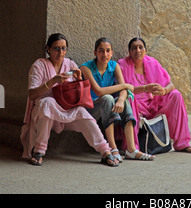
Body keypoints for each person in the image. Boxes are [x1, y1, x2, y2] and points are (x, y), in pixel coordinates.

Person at [20, 33, 118, 167]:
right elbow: (32, 94)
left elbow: (79, 92)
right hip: (43, 112)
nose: (60, 52)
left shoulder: (70, 64)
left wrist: (78, 80)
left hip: (67, 108)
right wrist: (53, 81)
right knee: (47, 103)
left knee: (82, 112)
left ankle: (105, 151)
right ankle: (39, 151)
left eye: (63, 48)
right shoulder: (39, 65)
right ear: (48, 48)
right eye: (56, 48)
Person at [118, 37, 191, 154]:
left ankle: (182, 144)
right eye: (134, 48)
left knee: (175, 95)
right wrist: (145, 88)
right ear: (129, 52)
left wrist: (164, 91)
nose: (138, 50)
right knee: (129, 98)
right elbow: (123, 89)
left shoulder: (152, 63)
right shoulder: (123, 65)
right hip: (136, 106)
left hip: (153, 105)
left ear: (145, 50)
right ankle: (132, 147)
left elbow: (171, 84)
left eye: (141, 47)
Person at [81, 37, 155, 161]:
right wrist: (125, 85)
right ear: (95, 52)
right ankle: (113, 148)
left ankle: (131, 149)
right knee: (108, 98)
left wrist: (120, 100)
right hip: (91, 109)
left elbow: (124, 91)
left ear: (111, 53)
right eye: (101, 51)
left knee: (124, 100)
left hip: (108, 106)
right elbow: (98, 91)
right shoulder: (86, 68)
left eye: (107, 51)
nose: (104, 54)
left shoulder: (114, 66)